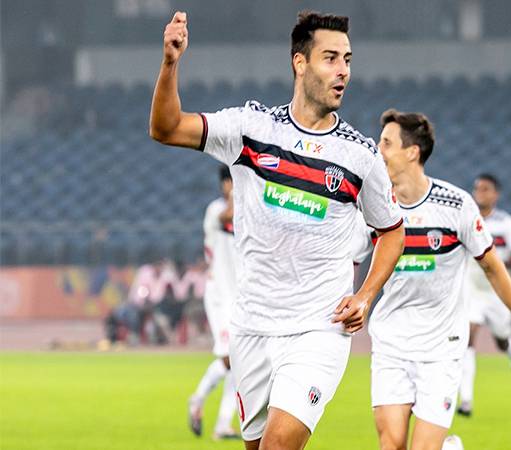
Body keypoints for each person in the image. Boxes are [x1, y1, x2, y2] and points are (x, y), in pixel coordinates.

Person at [149, 10, 405, 450]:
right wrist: (171, 63)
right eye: (330, 58)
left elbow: (393, 232)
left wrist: (365, 296)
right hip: (251, 327)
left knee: (278, 447)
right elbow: (166, 128)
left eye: (347, 59)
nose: (343, 69)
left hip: (319, 328)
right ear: (299, 62)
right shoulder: (251, 130)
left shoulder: (360, 156)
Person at [354, 110, 511, 450]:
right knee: (391, 446)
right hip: (391, 343)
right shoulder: (373, 205)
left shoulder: (456, 205)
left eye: (386, 143)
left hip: (440, 349)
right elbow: (349, 258)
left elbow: (493, 268)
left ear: (412, 152)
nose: (377, 148)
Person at [457, 174, 511, 416]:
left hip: (497, 292)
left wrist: (495, 264)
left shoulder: (505, 223)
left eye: (486, 189)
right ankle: (466, 401)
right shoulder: (467, 218)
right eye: (477, 188)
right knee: (468, 339)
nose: (480, 193)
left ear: (495, 194)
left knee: (502, 340)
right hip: (472, 290)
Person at [188, 166, 240, 440]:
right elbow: (227, 215)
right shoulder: (216, 210)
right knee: (230, 358)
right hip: (220, 295)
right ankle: (197, 399)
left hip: (240, 295)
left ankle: (222, 424)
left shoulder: (247, 211)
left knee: (241, 360)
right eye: (233, 179)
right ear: (224, 184)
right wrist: (238, 192)